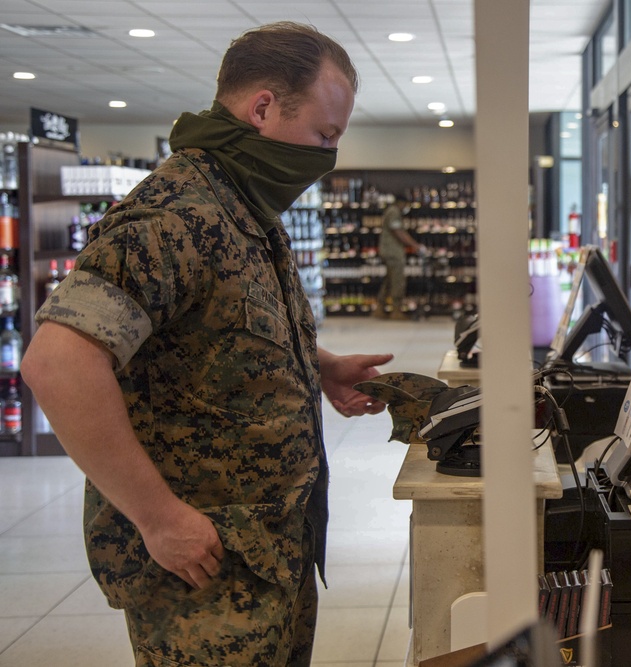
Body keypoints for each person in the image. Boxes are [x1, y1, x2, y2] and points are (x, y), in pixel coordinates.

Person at [19, 22, 392, 667]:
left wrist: (320, 366)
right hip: (206, 565)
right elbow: (58, 363)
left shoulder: (240, 204)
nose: (328, 154)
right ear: (264, 109)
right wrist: (159, 517)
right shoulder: (175, 217)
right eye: (325, 134)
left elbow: (222, 328)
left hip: (268, 548)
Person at [375, 192, 425, 319]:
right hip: (393, 252)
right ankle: (396, 311)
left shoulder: (390, 211)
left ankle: (380, 309)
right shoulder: (394, 212)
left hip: (389, 251)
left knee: (389, 280)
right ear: (401, 203)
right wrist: (415, 245)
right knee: (397, 281)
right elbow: (398, 232)